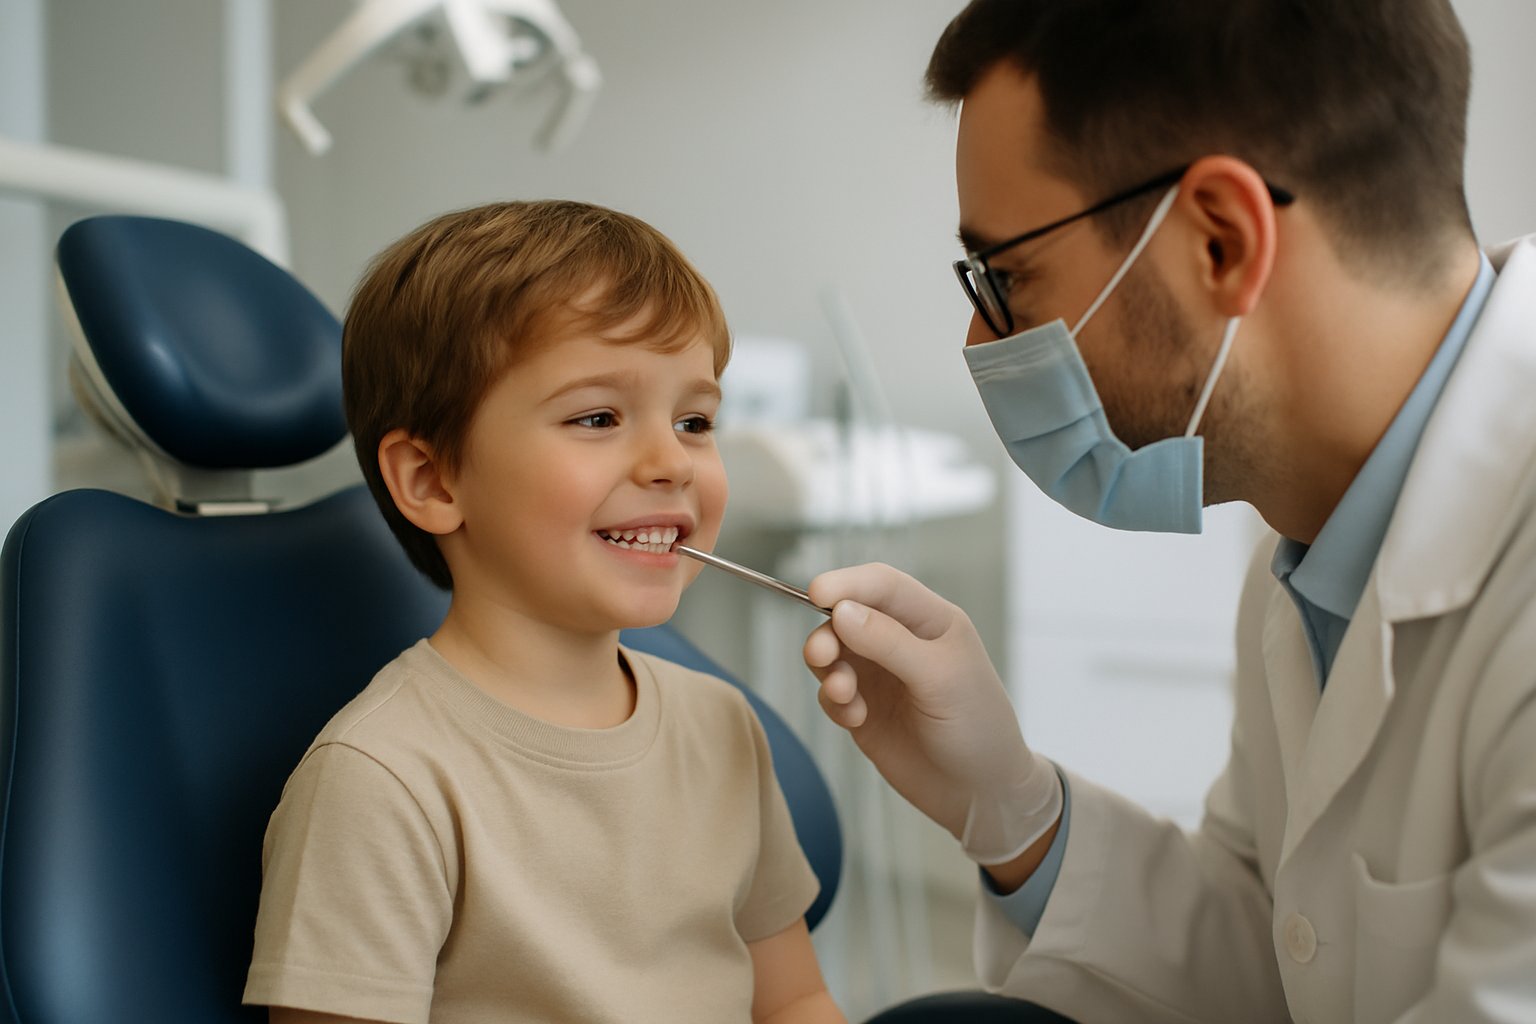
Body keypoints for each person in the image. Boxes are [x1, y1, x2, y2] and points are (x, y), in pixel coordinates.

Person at [803, 1, 1536, 1021]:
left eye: (1006, 277)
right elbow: (1278, 945)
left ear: (1224, 241)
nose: (980, 337)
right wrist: (1013, 806)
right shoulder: (1315, 545)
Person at [243, 200, 844, 1024]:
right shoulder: (380, 782)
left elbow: (795, 1002)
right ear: (433, 481)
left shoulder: (723, 724)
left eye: (695, 421)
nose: (672, 460)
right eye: (597, 417)